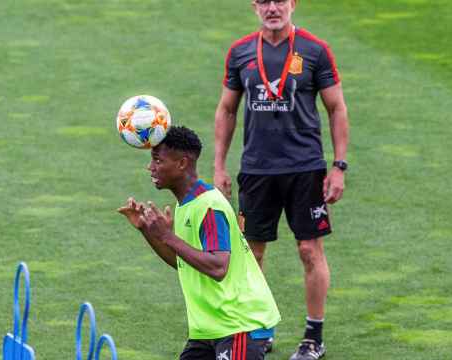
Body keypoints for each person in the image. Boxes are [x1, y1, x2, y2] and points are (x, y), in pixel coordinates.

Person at [213, 0, 349, 359]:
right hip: (257, 170)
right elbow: (227, 109)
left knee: (309, 250)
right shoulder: (240, 52)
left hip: (305, 168)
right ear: (254, 6)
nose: (273, 8)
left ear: (293, 4)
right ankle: (259, 330)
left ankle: (313, 337)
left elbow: (336, 107)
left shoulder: (315, 50)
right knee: (252, 253)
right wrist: (219, 167)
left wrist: (339, 166)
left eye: (280, 0)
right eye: (264, 1)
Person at [118, 126, 281, 360]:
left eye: (157, 160)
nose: (150, 167)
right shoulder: (186, 204)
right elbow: (183, 262)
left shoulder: (209, 206)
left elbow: (217, 267)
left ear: (182, 163)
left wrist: (167, 235)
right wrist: (146, 230)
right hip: (210, 327)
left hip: (239, 324)